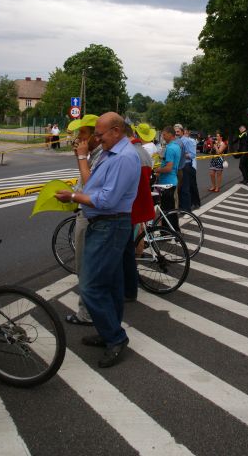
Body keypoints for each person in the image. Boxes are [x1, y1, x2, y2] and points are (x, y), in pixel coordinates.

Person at [55, 112, 140, 368]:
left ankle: (115, 337)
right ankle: (108, 333)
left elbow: (106, 200)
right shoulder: (111, 152)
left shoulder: (124, 157)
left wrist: (72, 197)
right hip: (105, 224)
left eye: (100, 134)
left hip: (110, 225)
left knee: (91, 286)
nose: (97, 138)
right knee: (112, 283)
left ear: (116, 130)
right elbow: (93, 186)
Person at [61, 115, 102, 326]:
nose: (79, 137)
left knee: (85, 267)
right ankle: (90, 310)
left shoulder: (98, 156)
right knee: (86, 266)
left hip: (89, 216)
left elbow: (91, 187)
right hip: (85, 214)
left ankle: (86, 313)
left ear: (95, 135)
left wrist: (81, 157)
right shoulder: (94, 154)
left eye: (83, 133)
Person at [123, 125, 155, 302]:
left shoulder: (129, 153)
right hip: (142, 203)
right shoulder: (143, 152)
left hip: (131, 206)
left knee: (125, 250)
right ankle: (130, 286)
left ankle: (129, 289)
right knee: (130, 248)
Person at [155, 126, 181, 229]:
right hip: (172, 181)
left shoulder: (170, 148)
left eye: (164, 134)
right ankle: (173, 230)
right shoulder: (176, 146)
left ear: (170, 134)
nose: (163, 136)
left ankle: (167, 231)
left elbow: (169, 168)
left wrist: (157, 170)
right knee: (171, 209)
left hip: (167, 182)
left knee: (166, 210)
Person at [174, 125, 196, 211]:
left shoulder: (187, 141)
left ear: (182, 132)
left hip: (186, 166)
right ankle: (180, 207)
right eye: (175, 132)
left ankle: (187, 210)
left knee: (185, 189)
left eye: (178, 131)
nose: (176, 133)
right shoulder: (175, 141)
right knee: (178, 188)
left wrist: (181, 155)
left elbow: (192, 155)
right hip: (177, 166)